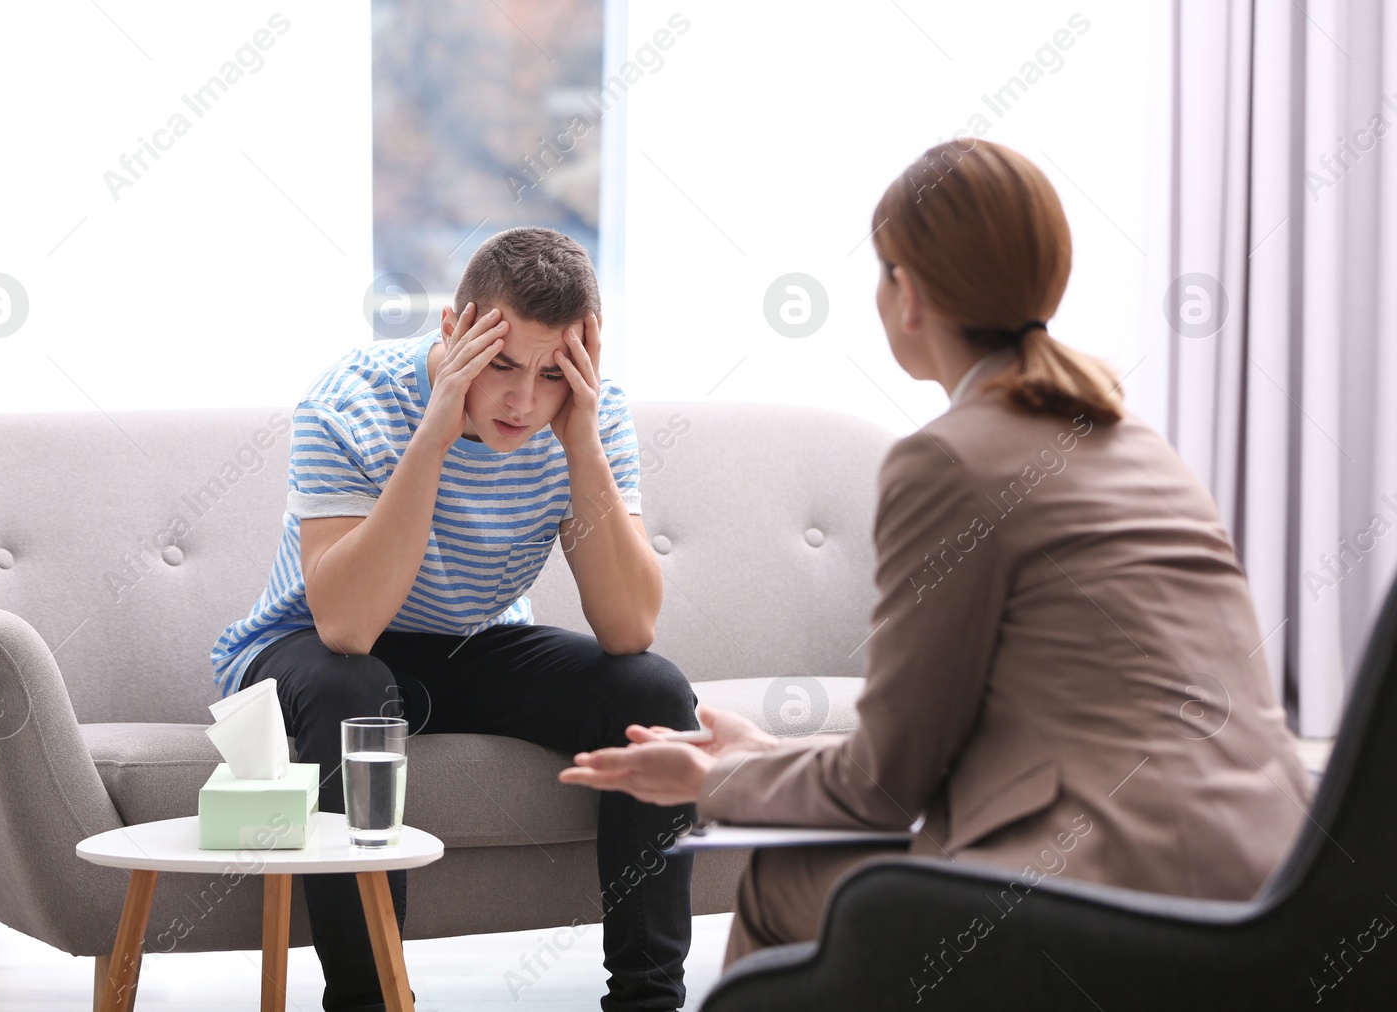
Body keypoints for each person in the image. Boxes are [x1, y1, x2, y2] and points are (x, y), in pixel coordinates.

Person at [558, 139, 1311, 967]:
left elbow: (886, 788)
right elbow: (964, 743)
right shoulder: (1135, 442)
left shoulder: (946, 460)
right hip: (1270, 881)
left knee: (785, 882)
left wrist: (713, 782)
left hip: (1099, 894)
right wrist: (763, 756)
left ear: (907, 294)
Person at [211, 227, 697, 1012]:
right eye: (501, 363)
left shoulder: (583, 417)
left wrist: (580, 446)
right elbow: (346, 627)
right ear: (453, 330)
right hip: (311, 649)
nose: (522, 399)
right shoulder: (351, 399)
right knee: (354, 692)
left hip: (472, 645)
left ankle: (647, 1003)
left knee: (654, 695)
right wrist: (434, 435)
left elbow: (630, 627)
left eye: (551, 373)